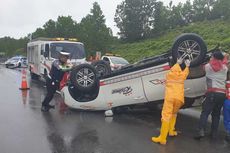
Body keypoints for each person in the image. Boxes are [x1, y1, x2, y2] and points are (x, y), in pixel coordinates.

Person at [151, 58, 190, 145]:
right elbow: (186, 72)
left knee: (166, 116)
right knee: (173, 114)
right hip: (179, 99)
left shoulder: (169, 74)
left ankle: (162, 138)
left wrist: (177, 63)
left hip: (170, 98)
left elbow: (174, 68)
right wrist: (187, 66)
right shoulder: (182, 75)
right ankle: (171, 131)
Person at [194, 50, 228, 140]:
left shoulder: (208, 67)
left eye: (212, 57)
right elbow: (224, 60)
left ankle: (200, 131)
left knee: (205, 112)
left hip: (212, 93)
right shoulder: (225, 68)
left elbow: (203, 65)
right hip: (222, 94)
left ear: (214, 58)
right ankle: (214, 134)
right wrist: (223, 56)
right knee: (216, 114)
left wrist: (208, 58)